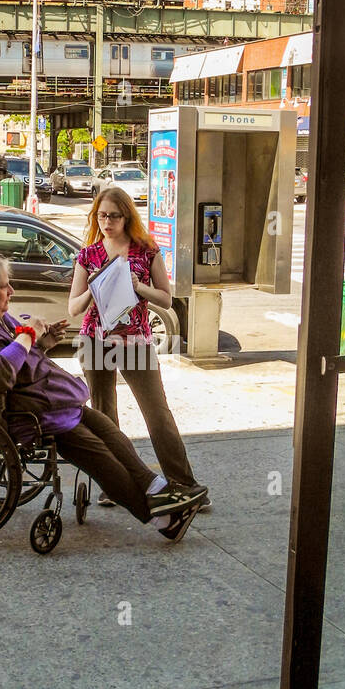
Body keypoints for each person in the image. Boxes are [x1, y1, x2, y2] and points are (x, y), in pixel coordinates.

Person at [0, 255, 206, 541]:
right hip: (24, 413)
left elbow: (19, 359)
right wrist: (27, 336)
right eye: (5, 287)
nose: (12, 291)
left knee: (107, 429)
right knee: (99, 455)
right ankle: (163, 519)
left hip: (44, 400)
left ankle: (157, 489)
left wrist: (41, 342)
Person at [68, 184, 210, 511]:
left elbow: (167, 298)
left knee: (157, 414)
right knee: (105, 415)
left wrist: (139, 287)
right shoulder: (88, 254)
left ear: (127, 216)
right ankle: (113, 485)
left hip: (136, 342)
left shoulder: (146, 251)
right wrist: (92, 289)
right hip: (96, 342)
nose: (107, 222)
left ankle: (184, 484)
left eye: (114, 216)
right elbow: (73, 308)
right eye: (102, 216)